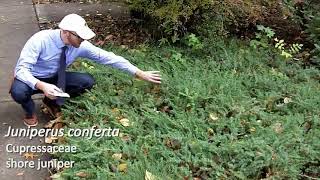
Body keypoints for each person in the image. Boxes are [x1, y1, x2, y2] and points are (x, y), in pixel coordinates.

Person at [9, 14, 161, 127]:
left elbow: (109, 57)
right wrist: (42, 86)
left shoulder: (81, 45)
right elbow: (22, 69)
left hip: (56, 77)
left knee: (87, 81)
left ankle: (50, 101)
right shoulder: (40, 40)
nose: (83, 40)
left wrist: (139, 73)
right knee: (19, 92)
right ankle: (29, 112)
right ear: (66, 32)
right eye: (80, 37)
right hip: (32, 77)